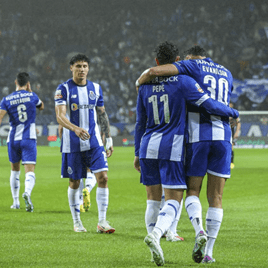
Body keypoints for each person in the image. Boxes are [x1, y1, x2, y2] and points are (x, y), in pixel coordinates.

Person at [135, 42, 239, 266]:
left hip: (150, 146)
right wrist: (234, 113)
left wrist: (136, 152)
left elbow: (139, 123)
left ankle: (156, 239)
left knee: (155, 200)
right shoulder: (188, 81)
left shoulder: (145, 87)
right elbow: (210, 103)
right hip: (196, 141)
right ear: (178, 60)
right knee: (203, 198)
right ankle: (205, 245)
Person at [54, 53, 115, 233]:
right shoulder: (63, 88)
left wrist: (109, 138)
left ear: (88, 69)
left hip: (94, 142)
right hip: (72, 143)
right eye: (78, 66)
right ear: (71, 68)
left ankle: (102, 222)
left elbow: (102, 113)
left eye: (85, 66)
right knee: (74, 182)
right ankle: (77, 222)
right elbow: (60, 115)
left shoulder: (96, 88)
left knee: (103, 177)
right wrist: (75, 129)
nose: (82, 69)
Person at [0, 72, 44, 211]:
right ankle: (27, 192)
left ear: (15, 82)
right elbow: (41, 106)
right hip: (29, 138)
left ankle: (15, 202)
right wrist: (31, 92)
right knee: (29, 170)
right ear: (28, 84)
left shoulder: (6, 99)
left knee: (14, 170)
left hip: (13, 139)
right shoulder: (32, 96)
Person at [58, 125, 97, 213]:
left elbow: (60, 128)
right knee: (90, 170)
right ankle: (88, 188)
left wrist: (63, 144)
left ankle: (80, 203)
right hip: (87, 141)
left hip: (71, 145)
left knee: (76, 176)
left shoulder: (66, 114)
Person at [229, 103, 241, 169]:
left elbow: (238, 123)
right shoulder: (222, 110)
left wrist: (237, 132)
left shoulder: (233, 113)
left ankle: (231, 163)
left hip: (231, 131)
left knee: (231, 147)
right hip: (224, 130)